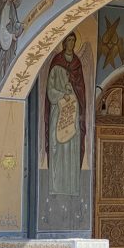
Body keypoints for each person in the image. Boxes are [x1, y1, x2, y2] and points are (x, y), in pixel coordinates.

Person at [45, 33, 86, 196]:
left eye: (74, 40)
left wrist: (73, 94)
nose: (71, 43)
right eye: (69, 40)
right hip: (58, 110)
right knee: (57, 143)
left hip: (73, 111)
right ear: (63, 43)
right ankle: (56, 187)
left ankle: (72, 188)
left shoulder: (77, 64)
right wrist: (62, 95)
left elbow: (81, 88)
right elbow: (50, 90)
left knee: (72, 145)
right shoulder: (56, 63)